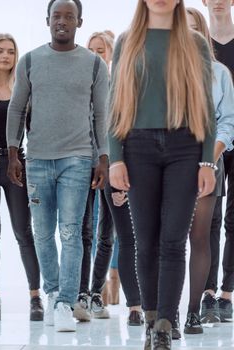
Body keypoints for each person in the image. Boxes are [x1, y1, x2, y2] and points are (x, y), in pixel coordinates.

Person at [108, 0, 216, 348]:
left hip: (185, 146)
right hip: (137, 147)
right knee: (146, 241)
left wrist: (207, 162)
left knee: (173, 241)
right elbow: (115, 101)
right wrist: (115, 158)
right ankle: (152, 319)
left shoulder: (195, 42)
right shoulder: (128, 40)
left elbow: (205, 105)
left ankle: (166, 326)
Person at [7, 0, 109, 333]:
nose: (62, 21)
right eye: (56, 16)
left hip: (77, 159)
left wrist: (102, 157)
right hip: (37, 159)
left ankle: (66, 302)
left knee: (70, 231)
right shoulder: (31, 61)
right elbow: (17, 109)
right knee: (43, 234)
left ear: (80, 21)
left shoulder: (94, 64)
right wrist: (12, 153)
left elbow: (102, 115)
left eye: (69, 16)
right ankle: (51, 294)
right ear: (47, 20)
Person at [0, 33, 43, 322]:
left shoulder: (23, 90)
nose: (5, 56)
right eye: (0, 51)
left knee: (23, 233)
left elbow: (34, 131)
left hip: (17, 166)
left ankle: (35, 297)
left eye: (10, 51)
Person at [184, 7, 234, 334]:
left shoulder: (218, 73)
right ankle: (202, 295)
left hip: (213, 150)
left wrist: (209, 157)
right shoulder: (162, 68)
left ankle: (220, 296)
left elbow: (226, 121)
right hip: (177, 158)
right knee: (193, 230)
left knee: (222, 223)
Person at [76, 30, 115, 322]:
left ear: (110, 53)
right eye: (91, 49)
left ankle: (97, 292)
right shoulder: (81, 84)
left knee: (107, 232)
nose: (96, 54)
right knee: (83, 230)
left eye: (100, 50)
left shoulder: (118, 87)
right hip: (84, 163)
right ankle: (81, 294)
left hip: (114, 164)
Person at [201, 0, 234, 325]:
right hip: (209, 143)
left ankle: (226, 294)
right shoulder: (195, 41)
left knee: (233, 220)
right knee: (209, 219)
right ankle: (208, 292)